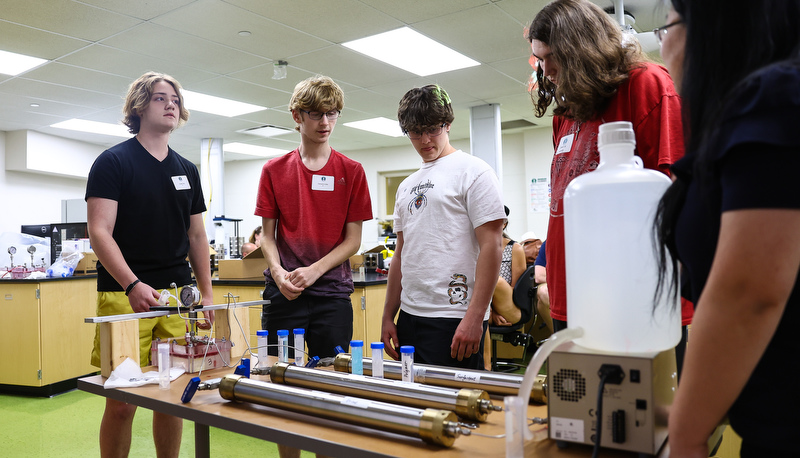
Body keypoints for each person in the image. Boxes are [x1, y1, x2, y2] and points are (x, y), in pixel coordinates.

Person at [654, 1, 800, 456]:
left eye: (667, 25)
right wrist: (689, 412)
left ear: (711, 28)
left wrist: (688, 436)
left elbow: (748, 292)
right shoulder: (757, 112)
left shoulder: (775, 97)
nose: (662, 43)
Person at [525, 0, 685, 332]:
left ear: (579, 48)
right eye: (539, 60)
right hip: (569, 292)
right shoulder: (567, 116)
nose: (545, 71)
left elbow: (674, 199)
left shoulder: (645, 85)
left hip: (631, 296)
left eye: (550, 57)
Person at [85, 71, 214, 458]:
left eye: (175, 98)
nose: (171, 104)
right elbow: (99, 232)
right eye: (161, 98)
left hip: (177, 298)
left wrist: (205, 293)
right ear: (139, 106)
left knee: (171, 394)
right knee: (123, 401)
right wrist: (132, 284)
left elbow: (196, 237)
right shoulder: (113, 162)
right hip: (123, 297)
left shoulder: (187, 169)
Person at [254, 75, 372, 458]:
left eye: (332, 113)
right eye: (316, 113)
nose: (325, 122)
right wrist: (277, 272)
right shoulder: (274, 170)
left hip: (331, 295)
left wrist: (315, 270)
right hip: (284, 291)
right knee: (283, 386)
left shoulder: (351, 171)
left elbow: (353, 241)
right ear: (296, 116)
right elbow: (266, 237)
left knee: (331, 389)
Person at [381, 84, 506, 370]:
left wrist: (475, 317)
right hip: (410, 316)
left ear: (447, 124)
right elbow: (401, 253)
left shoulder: (475, 172)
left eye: (432, 129)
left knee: (453, 407)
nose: (424, 139)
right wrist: (389, 315)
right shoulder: (405, 186)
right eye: (415, 131)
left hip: (454, 317)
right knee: (413, 404)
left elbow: (492, 245)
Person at [483, 207, 527, 370]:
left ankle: (486, 369)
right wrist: (491, 312)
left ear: (504, 224)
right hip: (486, 307)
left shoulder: (514, 248)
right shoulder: (479, 247)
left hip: (511, 306)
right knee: (479, 315)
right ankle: (485, 367)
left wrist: (495, 310)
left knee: (495, 279)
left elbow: (518, 290)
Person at [533, 240, 553, 333]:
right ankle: (563, 340)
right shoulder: (550, 242)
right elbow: (539, 276)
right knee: (543, 291)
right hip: (560, 288)